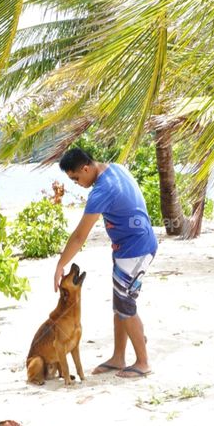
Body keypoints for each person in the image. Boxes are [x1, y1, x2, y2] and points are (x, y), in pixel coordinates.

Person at [54, 146, 157, 376]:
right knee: (119, 304)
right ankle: (118, 358)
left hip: (136, 250)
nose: (77, 183)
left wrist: (61, 265)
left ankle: (143, 362)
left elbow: (80, 236)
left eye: (76, 178)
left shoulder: (102, 191)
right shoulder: (116, 168)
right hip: (128, 247)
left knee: (126, 306)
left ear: (87, 168)